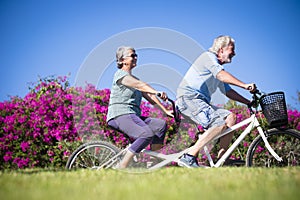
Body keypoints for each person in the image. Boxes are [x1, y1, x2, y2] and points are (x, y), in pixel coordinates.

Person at [176, 35, 256, 168]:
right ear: (221, 50)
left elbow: (228, 91)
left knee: (230, 117)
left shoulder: (216, 67)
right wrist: (245, 85)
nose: (234, 53)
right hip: (189, 98)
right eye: (232, 49)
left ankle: (222, 158)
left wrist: (248, 102)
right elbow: (221, 75)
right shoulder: (209, 58)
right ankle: (189, 157)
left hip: (200, 101)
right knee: (218, 124)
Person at [107, 46, 173, 169]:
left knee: (160, 125)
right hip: (120, 115)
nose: (135, 57)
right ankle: (122, 166)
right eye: (132, 55)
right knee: (146, 133)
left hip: (132, 115)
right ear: (122, 60)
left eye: (136, 55)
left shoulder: (134, 79)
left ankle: (153, 164)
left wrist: (165, 110)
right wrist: (156, 91)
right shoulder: (120, 75)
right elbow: (140, 85)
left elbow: (149, 96)